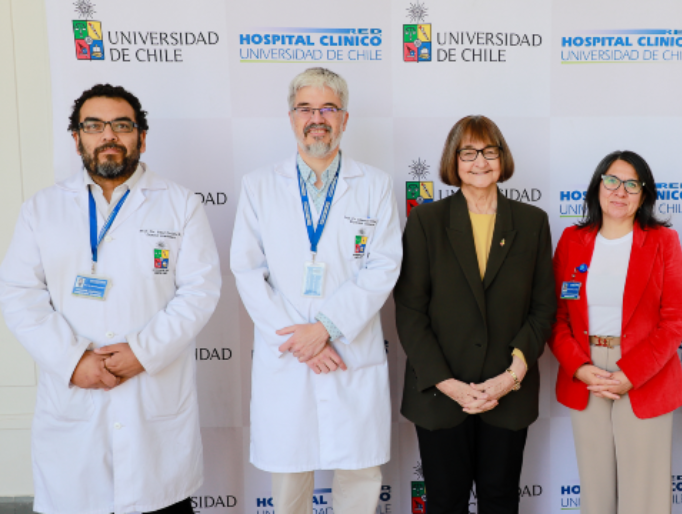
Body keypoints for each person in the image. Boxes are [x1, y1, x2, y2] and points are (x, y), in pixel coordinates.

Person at [0, 84, 222, 514]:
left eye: (122, 125)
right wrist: (72, 361)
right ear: (76, 137)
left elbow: (200, 290)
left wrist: (143, 352)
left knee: (159, 501)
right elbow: (20, 295)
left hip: (152, 402)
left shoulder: (180, 205)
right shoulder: (41, 209)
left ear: (141, 136)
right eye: (94, 125)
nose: (109, 136)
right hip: (74, 407)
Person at [230, 68, 401, 514]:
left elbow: (383, 267)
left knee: (360, 477)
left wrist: (324, 327)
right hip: (288, 353)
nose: (316, 118)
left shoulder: (376, 185)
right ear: (291, 118)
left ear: (345, 118)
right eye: (306, 108)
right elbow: (247, 270)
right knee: (288, 480)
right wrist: (301, 340)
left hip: (349, 350)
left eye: (327, 108)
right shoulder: (259, 186)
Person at [394, 115, 556, 514]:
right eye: (468, 152)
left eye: (489, 151)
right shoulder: (426, 222)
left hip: (508, 393)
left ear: (502, 158)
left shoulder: (532, 222)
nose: (479, 161)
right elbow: (411, 311)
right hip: (440, 393)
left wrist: (511, 377)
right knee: (445, 502)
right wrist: (449, 384)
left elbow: (543, 307)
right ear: (453, 159)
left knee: (500, 500)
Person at [548, 150, 682, 514]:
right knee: (595, 493)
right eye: (611, 181)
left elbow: (675, 319)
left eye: (631, 184)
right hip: (586, 373)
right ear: (597, 187)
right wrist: (579, 368)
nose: (619, 191)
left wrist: (632, 373)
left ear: (644, 194)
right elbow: (555, 315)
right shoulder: (571, 240)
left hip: (646, 374)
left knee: (644, 495)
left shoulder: (663, 242)